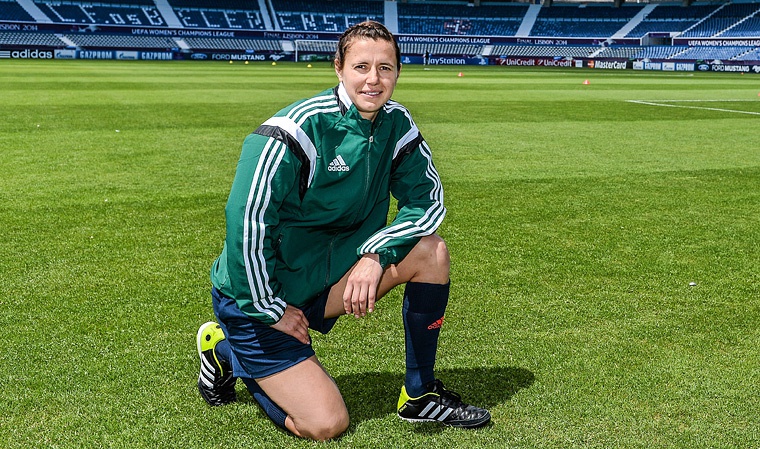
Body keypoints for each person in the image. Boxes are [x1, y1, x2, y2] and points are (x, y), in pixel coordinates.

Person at [196, 20, 490, 441]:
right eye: (361, 67)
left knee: (431, 251)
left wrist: (376, 254)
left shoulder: (396, 124)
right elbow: (246, 222)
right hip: (259, 296)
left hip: (327, 280)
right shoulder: (295, 130)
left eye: (385, 68)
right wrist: (270, 310)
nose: (374, 79)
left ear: (398, 72)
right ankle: (225, 349)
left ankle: (420, 394)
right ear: (339, 67)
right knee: (326, 424)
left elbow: (427, 201)